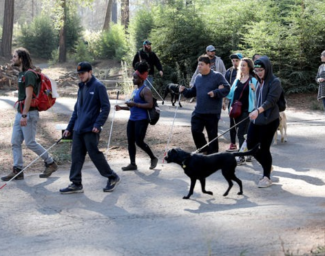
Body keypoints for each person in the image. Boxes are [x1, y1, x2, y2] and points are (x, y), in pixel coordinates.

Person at [60, 62, 120, 194]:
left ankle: (112, 177)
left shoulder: (98, 86)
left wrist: (98, 124)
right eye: (79, 74)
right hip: (78, 129)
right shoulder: (81, 87)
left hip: (90, 129)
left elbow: (106, 107)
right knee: (76, 156)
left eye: (83, 73)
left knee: (94, 155)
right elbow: (76, 110)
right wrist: (69, 128)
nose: (80, 76)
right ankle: (76, 183)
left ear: (90, 72)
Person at [1, 47, 58, 182]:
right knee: (15, 142)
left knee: (30, 142)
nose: (12, 59)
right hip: (20, 112)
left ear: (21, 58)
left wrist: (25, 115)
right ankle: (18, 170)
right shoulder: (22, 74)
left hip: (29, 113)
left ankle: (50, 163)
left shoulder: (29, 74)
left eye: (14, 57)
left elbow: (29, 96)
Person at [179, 54, 230, 154]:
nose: (199, 67)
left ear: (209, 65)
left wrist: (215, 92)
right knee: (195, 131)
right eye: (198, 65)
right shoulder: (198, 78)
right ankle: (204, 150)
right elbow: (192, 92)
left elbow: (227, 88)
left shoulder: (217, 76)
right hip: (199, 111)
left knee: (212, 136)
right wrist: (184, 90)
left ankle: (214, 156)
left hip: (212, 112)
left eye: (201, 64)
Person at [115, 62, 158, 171]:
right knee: (130, 141)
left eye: (135, 78)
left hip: (142, 120)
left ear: (141, 79)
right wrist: (121, 108)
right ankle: (132, 164)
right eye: (133, 77)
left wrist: (135, 104)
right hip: (132, 119)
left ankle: (153, 157)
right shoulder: (135, 91)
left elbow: (150, 104)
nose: (133, 79)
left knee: (139, 141)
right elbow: (132, 107)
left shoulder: (146, 90)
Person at [247, 56, 282, 188]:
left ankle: (266, 177)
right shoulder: (258, 81)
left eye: (261, 70)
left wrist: (258, 111)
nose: (258, 72)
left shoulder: (275, 81)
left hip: (270, 120)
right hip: (257, 119)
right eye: (256, 70)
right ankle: (267, 165)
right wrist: (254, 111)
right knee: (250, 145)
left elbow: (271, 101)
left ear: (267, 68)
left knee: (264, 147)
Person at [226, 58, 257, 164]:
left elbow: (259, 96)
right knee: (246, 133)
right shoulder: (237, 79)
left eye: (244, 65)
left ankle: (241, 156)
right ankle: (249, 152)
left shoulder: (253, 80)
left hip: (247, 110)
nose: (242, 67)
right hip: (235, 110)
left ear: (249, 67)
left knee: (241, 133)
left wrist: (254, 90)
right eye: (241, 65)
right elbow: (230, 94)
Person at [224, 52, 243, 152]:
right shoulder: (229, 72)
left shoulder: (246, 71)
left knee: (243, 123)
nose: (235, 62)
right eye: (233, 61)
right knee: (232, 122)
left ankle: (243, 144)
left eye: (237, 60)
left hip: (243, 101)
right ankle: (232, 143)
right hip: (232, 101)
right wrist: (223, 101)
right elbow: (225, 87)